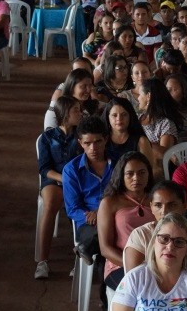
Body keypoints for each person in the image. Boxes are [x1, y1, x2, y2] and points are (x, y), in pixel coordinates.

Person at [122, 181, 187, 283]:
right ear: (151, 207)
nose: (164, 211)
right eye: (158, 205)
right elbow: (134, 283)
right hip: (146, 297)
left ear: (184, 206)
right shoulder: (141, 235)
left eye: (172, 205)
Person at [63, 115, 115, 279]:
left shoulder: (118, 163)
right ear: (80, 143)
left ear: (105, 139)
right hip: (88, 222)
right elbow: (72, 209)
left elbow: (124, 194)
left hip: (115, 214)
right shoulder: (71, 170)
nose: (93, 148)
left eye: (98, 141)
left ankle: (88, 250)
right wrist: (93, 216)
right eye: (87, 143)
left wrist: (102, 212)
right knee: (100, 235)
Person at [35, 97, 81, 279]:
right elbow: (44, 169)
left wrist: (72, 180)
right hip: (54, 180)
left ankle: (79, 261)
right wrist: (64, 178)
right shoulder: (46, 138)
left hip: (77, 181)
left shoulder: (81, 136)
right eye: (75, 111)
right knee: (51, 201)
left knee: (78, 203)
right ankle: (42, 261)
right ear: (64, 115)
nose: (80, 114)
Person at [96, 152, 154, 292]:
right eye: (130, 174)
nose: (136, 178)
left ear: (149, 174)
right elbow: (105, 249)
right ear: (121, 176)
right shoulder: (110, 202)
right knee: (143, 289)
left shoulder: (156, 199)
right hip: (120, 265)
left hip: (155, 264)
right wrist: (134, 266)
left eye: (141, 173)